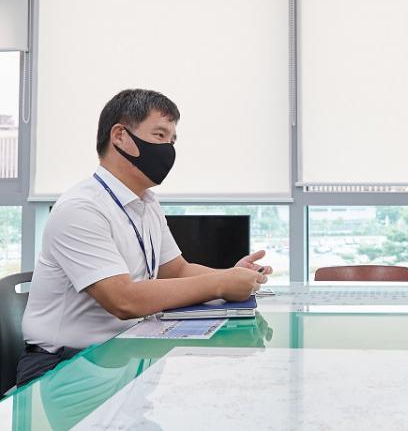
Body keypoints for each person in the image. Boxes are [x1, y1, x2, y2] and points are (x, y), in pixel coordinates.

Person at [18, 89, 271, 386]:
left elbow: (177, 270)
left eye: (172, 141)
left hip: (124, 352)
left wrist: (230, 275)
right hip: (67, 367)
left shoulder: (147, 203)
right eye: (160, 135)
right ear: (120, 136)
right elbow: (123, 300)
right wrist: (220, 283)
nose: (169, 150)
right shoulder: (81, 208)